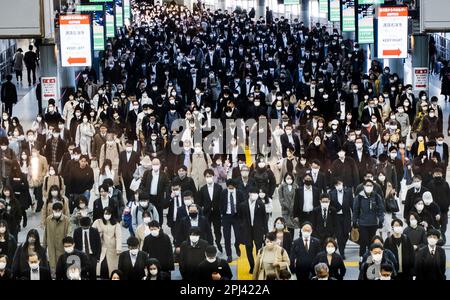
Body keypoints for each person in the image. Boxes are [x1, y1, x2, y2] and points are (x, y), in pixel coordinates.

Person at [352, 179, 385, 258]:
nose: (369, 187)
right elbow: (355, 210)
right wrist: (354, 221)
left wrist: (380, 220)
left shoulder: (376, 197)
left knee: (371, 242)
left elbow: (381, 209)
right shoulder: (359, 197)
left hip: (373, 223)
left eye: (370, 185)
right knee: (363, 242)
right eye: (367, 185)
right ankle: (362, 258)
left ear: (373, 187)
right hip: (363, 223)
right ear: (364, 186)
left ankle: (371, 257)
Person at [238, 186, 267, 273]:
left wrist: (266, 232)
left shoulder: (260, 204)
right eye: (253, 193)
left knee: (259, 249)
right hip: (247, 230)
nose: (255, 195)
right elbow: (239, 217)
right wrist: (242, 226)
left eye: (256, 193)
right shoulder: (243, 205)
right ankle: (252, 266)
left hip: (258, 229)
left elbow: (264, 219)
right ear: (249, 194)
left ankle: (258, 266)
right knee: (248, 248)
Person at [196, 169, 223, 252]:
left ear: (213, 177)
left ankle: (218, 242)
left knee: (217, 229)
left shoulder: (219, 187)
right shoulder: (202, 189)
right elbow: (199, 202)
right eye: (207, 176)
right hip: (206, 213)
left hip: (217, 212)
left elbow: (221, 200)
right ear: (205, 177)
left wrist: (221, 210)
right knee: (207, 230)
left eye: (210, 176)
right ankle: (210, 245)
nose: (209, 178)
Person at [92, 207, 122, 279]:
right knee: (101, 265)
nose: (107, 215)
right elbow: (92, 232)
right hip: (101, 246)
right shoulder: (98, 222)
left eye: (108, 214)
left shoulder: (116, 223)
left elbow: (119, 236)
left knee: (111, 266)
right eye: (105, 213)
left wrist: (118, 249)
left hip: (112, 248)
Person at [138, 158, 169, 226]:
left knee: (159, 214)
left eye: (157, 164)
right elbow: (142, 184)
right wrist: (143, 193)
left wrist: (165, 198)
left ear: (160, 165)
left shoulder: (163, 175)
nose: (155, 166)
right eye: (154, 164)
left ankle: (159, 227)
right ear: (151, 165)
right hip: (149, 198)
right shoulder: (147, 173)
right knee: (149, 213)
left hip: (159, 198)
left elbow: (167, 186)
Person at [328, 178, 353, 259]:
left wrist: (355, 216)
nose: (339, 185)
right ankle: (342, 253)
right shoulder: (331, 193)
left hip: (346, 216)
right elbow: (330, 205)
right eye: (337, 184)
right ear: (335, 186)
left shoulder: (348, 192)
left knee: (346, 234)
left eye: (340, 183)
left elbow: (352, 204)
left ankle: (342, 246)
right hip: (336, 217)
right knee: (339, 235)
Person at [220, 179, 244, 262]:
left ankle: (237, 245)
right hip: (226, 216)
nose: (230, 189)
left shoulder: (239, 193)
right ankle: (229, 255)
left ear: (234, 187)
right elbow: (220, 203)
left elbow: (243, 204)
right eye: (228, 188)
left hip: (236, 216)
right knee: (227, 237)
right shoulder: (223, 192)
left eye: (231, 188)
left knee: (239, 235)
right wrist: (222, 213)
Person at [43, 202, 71, 271]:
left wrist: (68, 246)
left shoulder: (66, 220)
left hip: (62, 247)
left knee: (62, 265)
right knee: (52, 265)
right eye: (55, 210)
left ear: (62, 210)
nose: (57, 212)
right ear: (52, 210)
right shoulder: (48, 219)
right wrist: (44, 247)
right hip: (51, 246)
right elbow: (45, 234)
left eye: (59, 210)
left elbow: (69, 233)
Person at [278, 173, 298, 238]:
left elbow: (297, 198)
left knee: (292, 226)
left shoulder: (296, 186)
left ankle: (291, 241)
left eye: (290, 178)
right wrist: (286, 205)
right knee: (286, 226)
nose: (289, 179)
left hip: (294, 210)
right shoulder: (282, 187)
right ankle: (286, 240)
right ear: (285, 179)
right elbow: (281, 198)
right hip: (285, 209)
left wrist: (293, 206)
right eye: (287, 178)